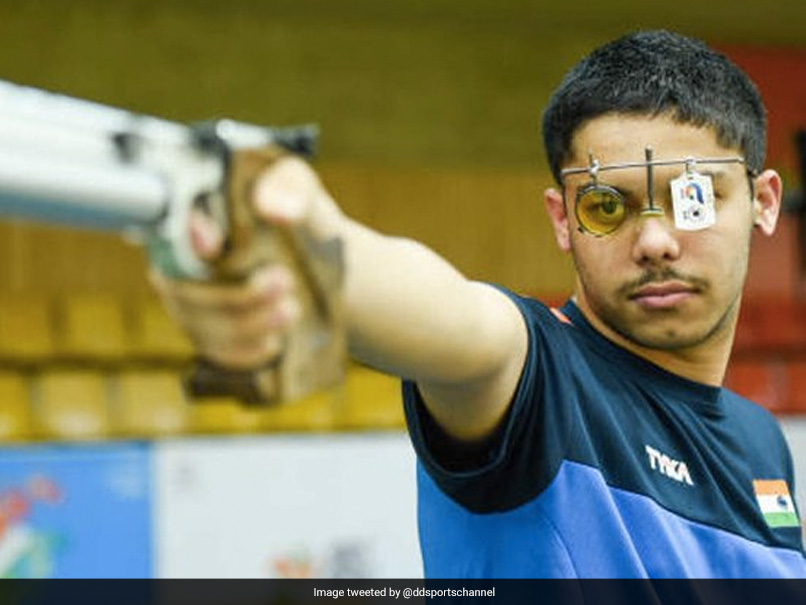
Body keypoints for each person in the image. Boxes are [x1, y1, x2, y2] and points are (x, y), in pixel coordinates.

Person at [153, 30, 806, 578]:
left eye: (695, 197)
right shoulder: (537, 377)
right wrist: (313, 252)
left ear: (764, 201)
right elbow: (460, 325)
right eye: (607, 205)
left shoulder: (761, 447)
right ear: (562, 218)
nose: (656, 241)